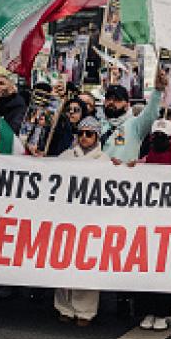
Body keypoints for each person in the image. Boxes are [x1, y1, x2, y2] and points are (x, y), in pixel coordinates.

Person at [130, 119, 171, 331]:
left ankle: (162, 313)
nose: (159, 140)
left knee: (164, 269)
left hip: (170, 226)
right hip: (146, 224)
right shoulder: (144, 162)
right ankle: (146, 311)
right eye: (156, 137)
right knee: (145, 268)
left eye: (164, 137)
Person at [53, 116, 107, 326]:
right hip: (66, 218)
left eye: (89, 134)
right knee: (63, 261)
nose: (84, 137)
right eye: (81, 133)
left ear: (97, 136)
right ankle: (64, 307)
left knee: (86, 264)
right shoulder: (65, 156)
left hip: (90, 220)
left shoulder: (104, 161)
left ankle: (85, 311)